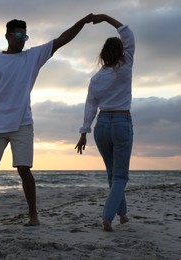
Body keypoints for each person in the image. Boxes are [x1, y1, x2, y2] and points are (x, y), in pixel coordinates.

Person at [0, 14, 94, 229]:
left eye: (25, 36)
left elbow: (63, 39)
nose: (21, 38)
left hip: (22, 124)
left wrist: (83, 21)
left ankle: (33, 215)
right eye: (17, 34)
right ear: (7, 36)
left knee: (24, 170)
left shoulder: (32, 57)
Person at [75, 14, 135, 231]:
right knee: (120, 176)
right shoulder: (125, 66)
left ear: (102, 55)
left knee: (112, 174)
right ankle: (107, 217)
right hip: (120, 122)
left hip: (101, 127)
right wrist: (105, 18)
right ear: (121, 53)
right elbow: (128, 33)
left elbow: (90, 106)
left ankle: (123, 215)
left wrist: (84, 132)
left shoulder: (96, 79)